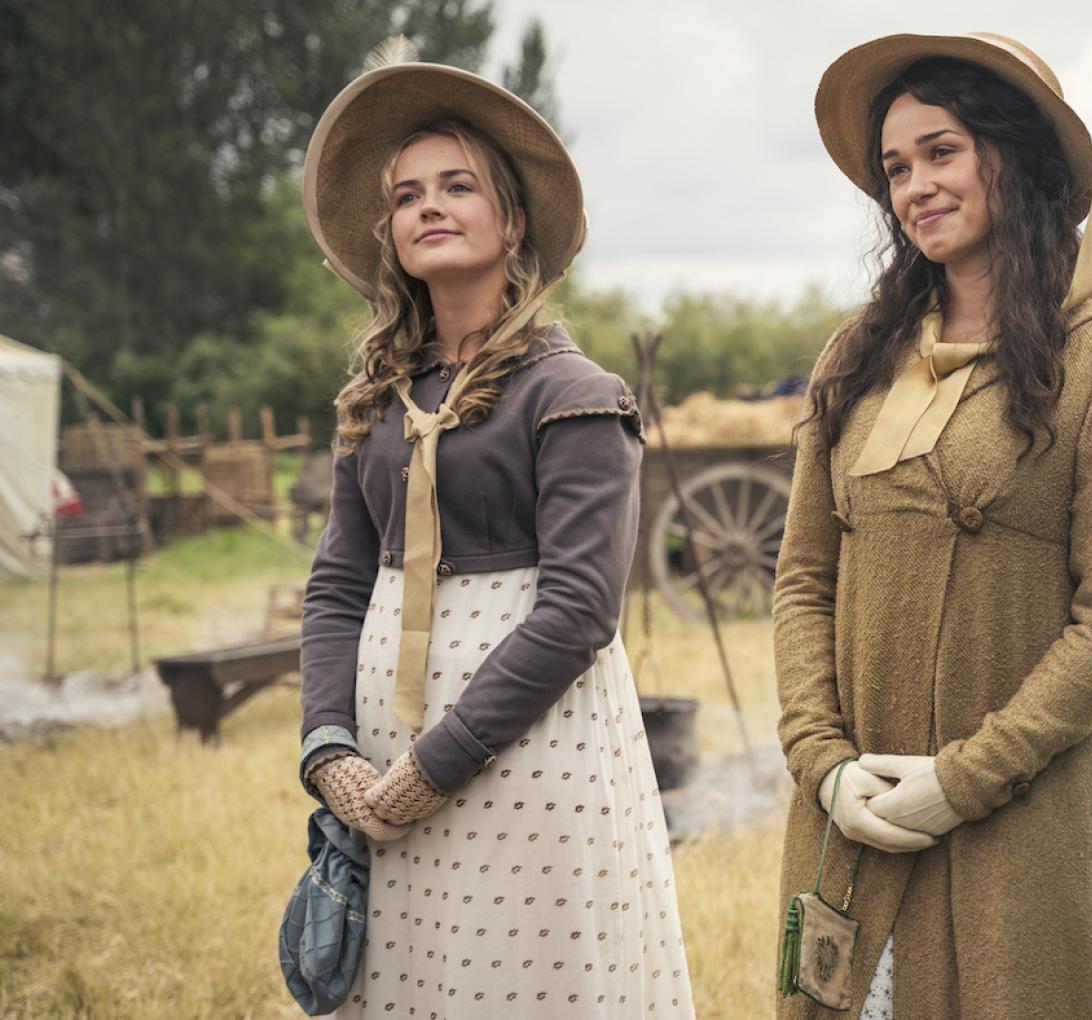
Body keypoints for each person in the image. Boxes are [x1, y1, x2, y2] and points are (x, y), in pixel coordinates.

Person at [772, 32, 1092, 1019]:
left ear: (1016, 158)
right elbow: (799, 581)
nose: (916, 186)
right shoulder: (854, 360)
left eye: (942, 152)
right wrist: (823, 764)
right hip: (855, 819)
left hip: (1022, 819)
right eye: (896, 168)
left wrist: (965, 781)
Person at [295, 41, 695, 1018]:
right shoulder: (376, 405)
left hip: (529, 751)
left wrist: (440, 763)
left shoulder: (573, 397)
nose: (428, 206)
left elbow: (578, 612)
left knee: (520, 981)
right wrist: (329, 745)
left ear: (511, 220)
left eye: (458, 186)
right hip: (383, 752)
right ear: (389, 233)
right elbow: (339, 584)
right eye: (407, 195)